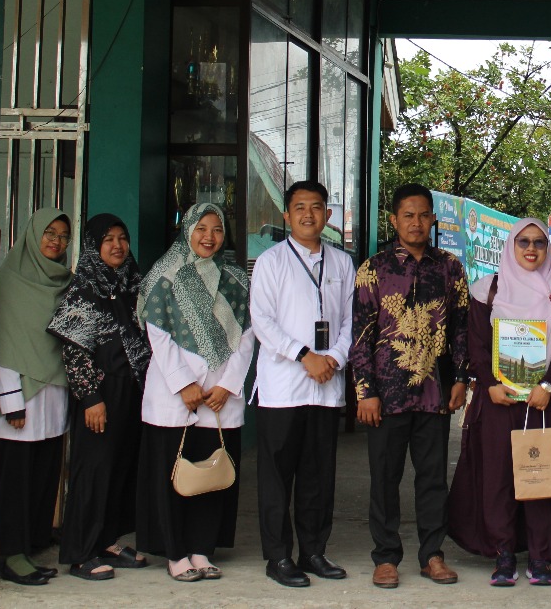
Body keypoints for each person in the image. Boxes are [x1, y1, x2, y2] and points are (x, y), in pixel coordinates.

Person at [448, 217, 551, 587]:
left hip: (543, 401)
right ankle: (503, 553)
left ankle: (540, 556)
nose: (531, 249)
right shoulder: (487, 291)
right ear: (511, 246)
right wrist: (490, 384)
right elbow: (476, 343)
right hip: (498, 402)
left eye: (539, 242)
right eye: (523, 241)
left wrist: (548, 384)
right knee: (498, 477)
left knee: (539, 474)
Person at [352, 183, 469, 589]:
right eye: (408, 215)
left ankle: (432, 555)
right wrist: (365, 391)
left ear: (433, 219)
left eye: (422, 215)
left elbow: (461, 330)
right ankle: (386, 557)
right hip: (386, 394)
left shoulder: (450, 268)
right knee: (385, 478)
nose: (416, 222)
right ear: (394, 220)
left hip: (435, 393)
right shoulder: (374, 269)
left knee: (433, 478)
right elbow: (361, 335)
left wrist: (461, 379)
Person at [136, 202, 256, 582]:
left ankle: (202, 549)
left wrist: (226, 385)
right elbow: (158, 333)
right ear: (187, 230)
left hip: (219, 397)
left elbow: (248, 335)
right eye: (201, 228)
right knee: (174, 476)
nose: (209, 237)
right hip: (175, 396)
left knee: (212, 475)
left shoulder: (235, 279)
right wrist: (184, 383)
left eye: (217, 229)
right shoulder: (165, 276)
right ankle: (175, 554)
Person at [249, 181, 356, 588]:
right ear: (286, 216)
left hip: (326, 386)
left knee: (318, 475)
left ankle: (313, 551)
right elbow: (262, 321)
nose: (308, 214)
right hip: (283, 388)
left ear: (328, 215)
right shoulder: (271, 261)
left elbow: (353, 320)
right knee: (277, 477)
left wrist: (336, 357)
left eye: (316, 207)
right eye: (299, 208)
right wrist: (304, 355)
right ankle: (278, 556)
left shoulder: (342, 263)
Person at [48, 214, 151, 581]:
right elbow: (74, 350)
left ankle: (106, 541)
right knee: (93, 472)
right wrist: (90, 397)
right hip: (100, 393)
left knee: (120, 468)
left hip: (132, 390)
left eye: (122, 238)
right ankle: (80, 553)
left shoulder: (132, 284)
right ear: (93, 246)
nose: (118, 246)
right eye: (108, 239)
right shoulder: (85, 290)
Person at [0, 208, 73, 586]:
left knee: (43, 474)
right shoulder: (8, 281)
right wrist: (11, 401)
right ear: (32, 234)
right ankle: (9, 553)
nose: (56, 241)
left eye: (63, 235)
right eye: (49, 233)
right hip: (19, 395)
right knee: (15, 479)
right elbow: (2, 342)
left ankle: (34, 540)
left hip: (53, 393)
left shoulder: (64, 282)